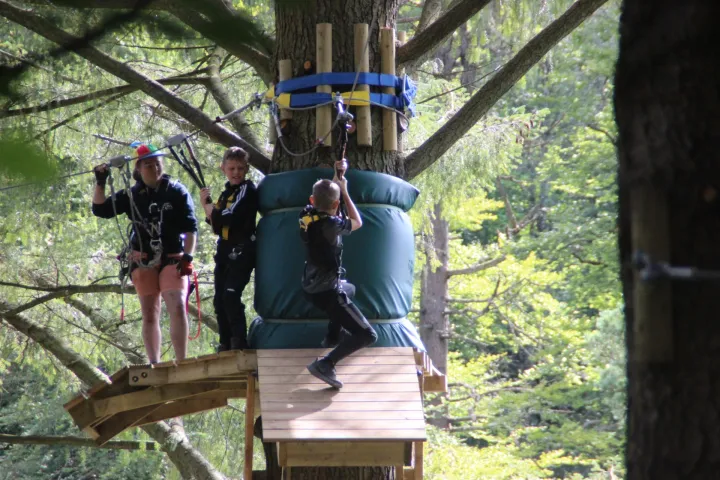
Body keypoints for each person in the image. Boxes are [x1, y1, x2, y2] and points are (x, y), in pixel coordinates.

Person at [92, 143, 198, 363]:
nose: (155, 168)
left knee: (177, 305)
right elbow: (100, 209)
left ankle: (182, 361)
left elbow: (190, 228)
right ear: (138, 169)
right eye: (149, 165)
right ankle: (154, 363)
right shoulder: (131, 195)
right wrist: (101, 181)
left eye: (157, 164)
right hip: (143, 257)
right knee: (149, 313)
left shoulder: (177, 191)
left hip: (173, 256)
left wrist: (188, 257)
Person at [299, 160, 378, 388]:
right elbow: (357, 222)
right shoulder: (333, 225)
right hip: (327, 292)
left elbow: (325, 199)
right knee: (368, 335)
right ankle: (326, 363)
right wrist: (345, 191)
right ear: (336, 205)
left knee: (349, 288)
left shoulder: (306, 215)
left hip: (309, 287)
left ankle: (333, 336)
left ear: (312, 201)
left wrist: (337, 174)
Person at [199, 147, 257, 352]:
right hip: (224, 250)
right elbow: (216, 224)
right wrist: (208, 208)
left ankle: (239, 341)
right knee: (219, 299)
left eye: (240, 168)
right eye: (231, 168)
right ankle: (225, 342)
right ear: (223, 168)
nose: (236, 173)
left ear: (247, 169)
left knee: (231, 295)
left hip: (242, 250)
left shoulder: (246, 190)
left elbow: (228, 218)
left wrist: (211, 211)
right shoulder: (226, 193)